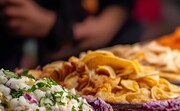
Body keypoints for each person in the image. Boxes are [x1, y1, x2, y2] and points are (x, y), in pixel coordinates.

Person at [0, 0, 142, 69]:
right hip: (54, 69)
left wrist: (53, 25)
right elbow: (16, 16)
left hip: (116, 56)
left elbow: (101, 31)